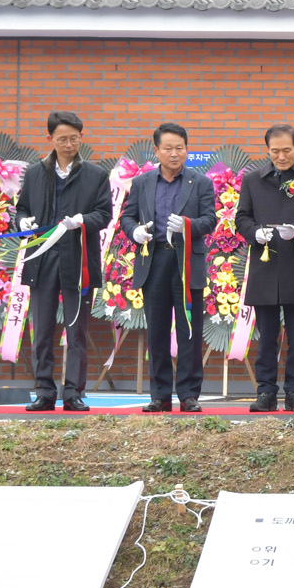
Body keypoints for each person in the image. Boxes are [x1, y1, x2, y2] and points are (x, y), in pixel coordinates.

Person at [14, 110, 112, 412]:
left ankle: (73, 392)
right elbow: (22, 208)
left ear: (81, 138)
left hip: (78, 258)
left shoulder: (95, 174)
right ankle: (44, 390)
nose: (69, 145)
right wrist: (22, 221)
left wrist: (82, 221)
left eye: (74, 139)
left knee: (76, 330)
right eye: (62, 139)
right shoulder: (35, 173)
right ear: (50, 139)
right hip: (42, 258)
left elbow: (104, 215)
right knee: (42, 329)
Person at [119, 122, 217, 413]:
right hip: (154, 260)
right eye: (168, 148)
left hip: (187, 261)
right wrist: (135, 231)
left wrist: (188, 225)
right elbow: (127, 217)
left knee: (189, 331)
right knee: (157, 331)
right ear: (156, 150)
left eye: (180, 148)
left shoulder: (201, 183)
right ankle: (160, 395)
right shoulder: (142, 182)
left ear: (187, 149)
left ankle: (189, 394)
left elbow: (209, 220)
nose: (175, 154)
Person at [235, 123, 294, 414]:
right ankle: (265, 391)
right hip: (265, 265)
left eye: (287, 150)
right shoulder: (253, 180)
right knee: (266, 335)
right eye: (275, 151)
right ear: (267, 150)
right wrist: (254, 233)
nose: (281, 156)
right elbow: (241, 217)